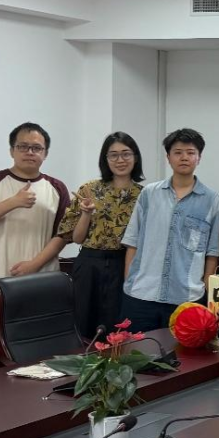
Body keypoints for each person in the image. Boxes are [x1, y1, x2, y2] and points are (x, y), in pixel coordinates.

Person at [0, 122, 70, 358]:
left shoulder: (56, 187)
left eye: (36, 148)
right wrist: (13, 202)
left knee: (43, 352)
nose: (29, 152)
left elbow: (64, 234)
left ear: (45, 153)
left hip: (43, 282)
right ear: (12, 150)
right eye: (23, 146)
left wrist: (34, 265)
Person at [121, 129, 219, 332]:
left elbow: (212, 253)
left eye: (190, 152)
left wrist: (204, 289)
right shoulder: (149, 194)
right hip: (141, 295)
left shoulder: (211, 201)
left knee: (181, 353)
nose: (184, 157)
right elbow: (132, 242)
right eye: (177, 152)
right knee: (136, 351)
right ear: (168, 157)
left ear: (199, 158)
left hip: (187, 298)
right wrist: (128, 281)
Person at [58, 132, 145, 339]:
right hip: (90, 263)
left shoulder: (145, 195)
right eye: (113, 155)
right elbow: (77, 238)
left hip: (125, 264)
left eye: (126, 154)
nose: (120, 160)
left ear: (135, 157)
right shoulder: (89, 189)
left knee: (118, 326)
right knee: (83, 323)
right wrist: (86, 213)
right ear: (105, 159)